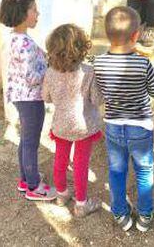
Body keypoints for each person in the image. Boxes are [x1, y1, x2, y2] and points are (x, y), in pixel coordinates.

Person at [93, 6, 154, 232]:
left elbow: (99, 94)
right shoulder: (143, 63)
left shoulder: (98, 63)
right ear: (136, 35)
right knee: (143, 170)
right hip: (140, 126)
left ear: (107, 34)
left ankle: (120, 214)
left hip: (113, 125)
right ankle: (144, 215)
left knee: (116, 170)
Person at [0, 0, 56, 201]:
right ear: (23, 14)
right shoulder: (25, 44)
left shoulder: (15, 39)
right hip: (30, 99)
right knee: (31, 142)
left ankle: (25, 179)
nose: (38, 13)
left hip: (21, 98)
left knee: (25, 140)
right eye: (34, 10)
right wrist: (50, 69)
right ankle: (33, 186)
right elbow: (32, 77)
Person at [43, 24, 103, 217]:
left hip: (61, 125)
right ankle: (81, 204)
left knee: (60, 160)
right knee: (80, 164)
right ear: (81, 47)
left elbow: (46, 97)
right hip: (84, 126)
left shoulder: (50, 72)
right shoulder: (89, 71)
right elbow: (97, 99)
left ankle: (61, 194)